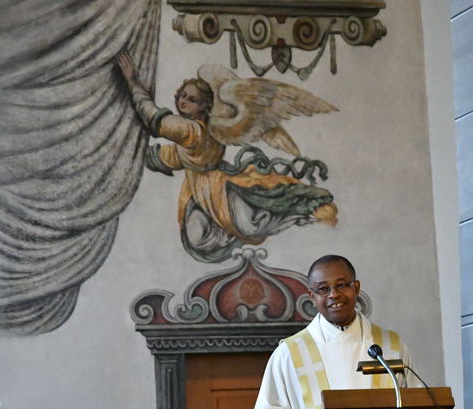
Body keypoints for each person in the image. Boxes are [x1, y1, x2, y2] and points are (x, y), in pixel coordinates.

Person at [116, 52, 338, 263]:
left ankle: (301, 214)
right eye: (183, 96)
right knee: (197, 239)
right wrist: (136, 154)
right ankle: (227, 232)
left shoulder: (190, 130)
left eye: (192, 99)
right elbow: (173, 157)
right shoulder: (191, 135)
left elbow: (152, 116)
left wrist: (133, 82)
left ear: (204, 106)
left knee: (251, 225)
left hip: (218, 188)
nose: (184, 101)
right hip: (196, 192)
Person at [249, 254, 412, 409]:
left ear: (356, 288)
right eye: (323, 289)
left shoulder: (391, 347)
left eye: (341, 285)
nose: (334, 294)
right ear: (312, 296)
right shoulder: (289, 353)